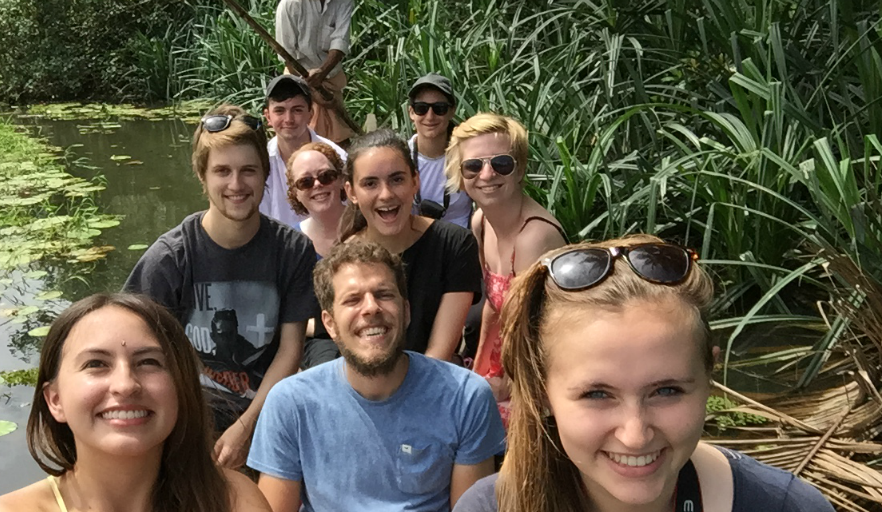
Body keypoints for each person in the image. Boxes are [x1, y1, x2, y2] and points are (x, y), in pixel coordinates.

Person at [453, 235, 836, 512]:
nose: (635, 436)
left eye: (666, 391)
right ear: (540, 393)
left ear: (709, 378)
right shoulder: (490, 507)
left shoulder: (788, 506)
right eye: (597, 394)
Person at [123, 104, 318, 470]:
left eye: (249, 171)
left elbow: (290, 352)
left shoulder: (292, 251)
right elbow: (130, 345)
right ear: (202, 176)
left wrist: (247, 428)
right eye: (222, 171)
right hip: (184, 419)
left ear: (266, 174)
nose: (236, 184)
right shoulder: (172, 257)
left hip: (263, 411)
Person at [248, 241, 505, 512]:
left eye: (383, 294)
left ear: (406, 312)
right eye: (352, 299)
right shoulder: (290, 404)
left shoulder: (465, 397)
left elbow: (470, 507)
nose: (371, 308)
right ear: (330, 324)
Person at [0, 293, 271, 512]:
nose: (126, 384)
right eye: (96, 364)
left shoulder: (234, 501)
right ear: (55, 400)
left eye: (148, 362)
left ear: (181, 387)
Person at [445, 113, 567, 423]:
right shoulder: (481, 222)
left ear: (520, 170)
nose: (486, 175)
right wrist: (481, 370)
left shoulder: (534, 237)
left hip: (542, 368)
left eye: (501, 163)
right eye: (473, 166)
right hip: (508, 359)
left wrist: (506, 384)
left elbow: (531, 328)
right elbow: (494, 307)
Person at [338, 128, 481, 362]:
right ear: (351, 192)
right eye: (370, 183)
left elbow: (439, 353)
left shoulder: (454, 245)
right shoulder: (344, 259)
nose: (385, 194)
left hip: (432, 379)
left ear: (415, 181)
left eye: (397, 180)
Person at [286, 141, 347, 367]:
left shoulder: (369, 225)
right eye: (305, 182)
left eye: (326, 176)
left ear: (341, 179)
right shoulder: (291, 245)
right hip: (318, 337)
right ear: (295, 193)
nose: (318, 185)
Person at [261, 75, 347, 226]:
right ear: (268, 116)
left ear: (310, 114)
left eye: (297, 110)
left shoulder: (337, 157)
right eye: (279, 111)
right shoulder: (261, 162)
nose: (288, 119)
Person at [274, 0, 356, 144]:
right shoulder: (290, 5)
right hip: (297, 82)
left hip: (331, 83)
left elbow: (340, 42)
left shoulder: (344, 1)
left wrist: (322, 73)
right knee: (301, 141)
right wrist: (310, 90)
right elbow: (287, 56)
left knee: (341, 144)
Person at [408, 73, 473, 228]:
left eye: (439, 109)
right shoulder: (400, 157)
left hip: (460, 243)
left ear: (452, 111)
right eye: (421, 109)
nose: (430, 116)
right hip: (413, 240)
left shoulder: (467, 155)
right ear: (411, 112)